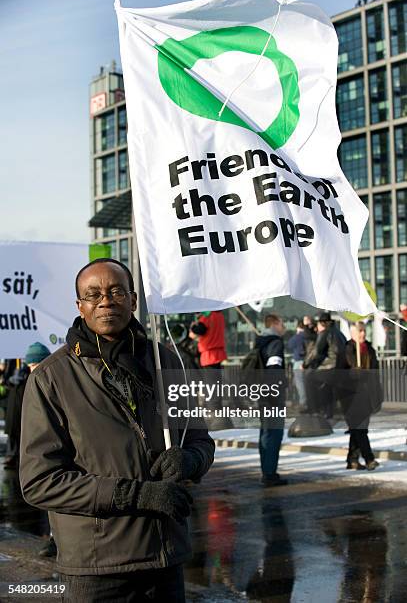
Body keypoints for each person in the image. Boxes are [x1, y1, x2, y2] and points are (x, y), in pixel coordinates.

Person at [19, 258, 215, 603]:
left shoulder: (165, 361)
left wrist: (190, 460)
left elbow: (200, 440)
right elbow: (39, 482)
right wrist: (137, 495)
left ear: (133, 300)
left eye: (116, 291)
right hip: (97, 570)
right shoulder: (50, 378)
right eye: (93, 295)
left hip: (165, 559)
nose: (106, 301)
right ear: (80, 307)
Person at [343, 322, 380, 470]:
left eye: (364, 331)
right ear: (352, 334)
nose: (362, 334)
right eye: (359, 331)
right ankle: (369, 458)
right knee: (360, 428)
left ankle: (352, 460)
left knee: (357, 429)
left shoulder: (369, 349)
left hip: (367, 395)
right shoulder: (347, 349)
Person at [255, 313, 287, 487]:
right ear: (274, 323)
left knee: (266, 433)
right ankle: (269, 473)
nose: (284, 326)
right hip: (271, 396)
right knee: (273, 434)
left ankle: (267, 470)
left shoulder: (261, 342)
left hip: (262, 393)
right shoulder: (275, 343)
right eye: (282, 322)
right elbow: (274, 369)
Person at [303, 311, 347, 420]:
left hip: (328, 367)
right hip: (340, 368)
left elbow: (317, 351)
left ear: (322, 324)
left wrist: (305, 364)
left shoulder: (325, 333)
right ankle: (328, 412)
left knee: (309, 378)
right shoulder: (340, 333)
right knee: (328, 390)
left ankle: (314, 410)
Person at [287, 321, 307, 406]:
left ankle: (303, 402)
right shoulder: (310, 336)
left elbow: (289, 345)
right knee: (306, 383)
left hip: (298, 362)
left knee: (300, 383)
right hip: (309, 362)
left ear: (298, 327)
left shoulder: (297, 337)